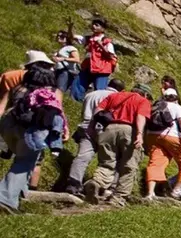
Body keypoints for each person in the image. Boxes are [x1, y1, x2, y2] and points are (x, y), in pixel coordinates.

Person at [0, 67, 66, 213]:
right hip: (31, 130)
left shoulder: (17, 88)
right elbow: (56, 113)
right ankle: (5, 198)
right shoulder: (50, 93)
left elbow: (2, 107)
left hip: (8, 125)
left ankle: (17, 197)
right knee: (24, 163)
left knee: (22, 160)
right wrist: (60, 133)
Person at [83, 83, 152, 204]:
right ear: (145, 94)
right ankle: (119, 197)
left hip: (108, 129)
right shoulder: (143, 100)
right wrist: (140, 134)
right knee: (129, 166)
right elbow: (140, 116)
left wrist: (92, 128)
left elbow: (98, 111)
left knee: (106, 162)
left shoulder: (114, 96)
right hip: (129, 130)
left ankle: (96, 182)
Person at [66, 78, 124, 196]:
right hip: (105, 131)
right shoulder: (116, 97)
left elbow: (83, 111)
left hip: (86, 127)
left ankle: (73, 183)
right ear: (121, 90)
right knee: (109, 159)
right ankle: (103, 186)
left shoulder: (91, 94)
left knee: (82, 157)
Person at [143, 87, 181, 200]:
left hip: (152, 136)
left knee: (155, 163)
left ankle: (150, 193)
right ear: (176, 98)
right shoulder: (177, 107)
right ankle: (177, 189)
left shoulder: (155, 107)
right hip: (171, 136)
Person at [74, 17, 117, 99]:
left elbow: (110, 56)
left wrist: (100, 45)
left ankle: (97, 107)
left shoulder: (106, 41)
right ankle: (75, 102)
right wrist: (70, 29)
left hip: (102, 69)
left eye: (97, 25)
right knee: (78, 85)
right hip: (89, 66)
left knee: (99, 91)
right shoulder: (88, 39)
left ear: (103, 29)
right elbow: (73, 37)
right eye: (93, 24)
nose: (94, 26)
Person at [52, 29, 81, 95]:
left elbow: (77, 59)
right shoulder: (61, 48)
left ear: (67, 38)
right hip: (58, 71)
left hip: (65, 72)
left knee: (60, 90)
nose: (59, 37)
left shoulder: (70, 48)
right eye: (58, 36)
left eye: (62, 36)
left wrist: (63, 59)